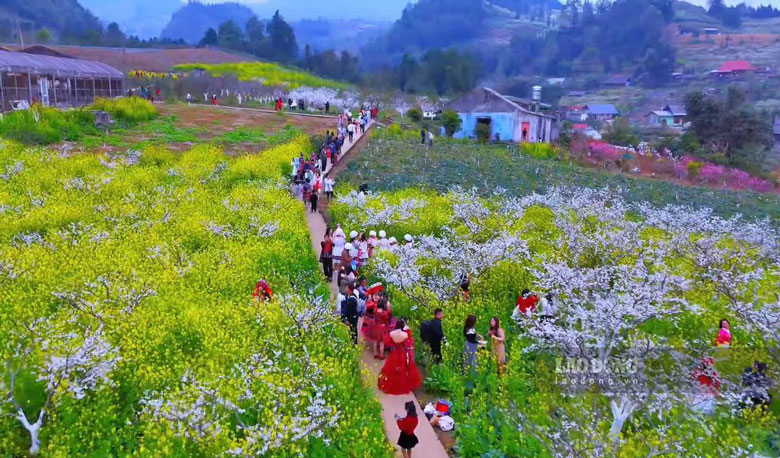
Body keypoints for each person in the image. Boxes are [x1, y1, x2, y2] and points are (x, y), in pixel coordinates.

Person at [378, 320, 422, 395]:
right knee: (403, 369)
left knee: (391, 369)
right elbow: (409, 344)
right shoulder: (405, 335)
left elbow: (387, 342)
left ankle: (390, 384)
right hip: (402, 353)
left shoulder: (392, 333)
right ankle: (401, 384)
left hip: (394, 353)